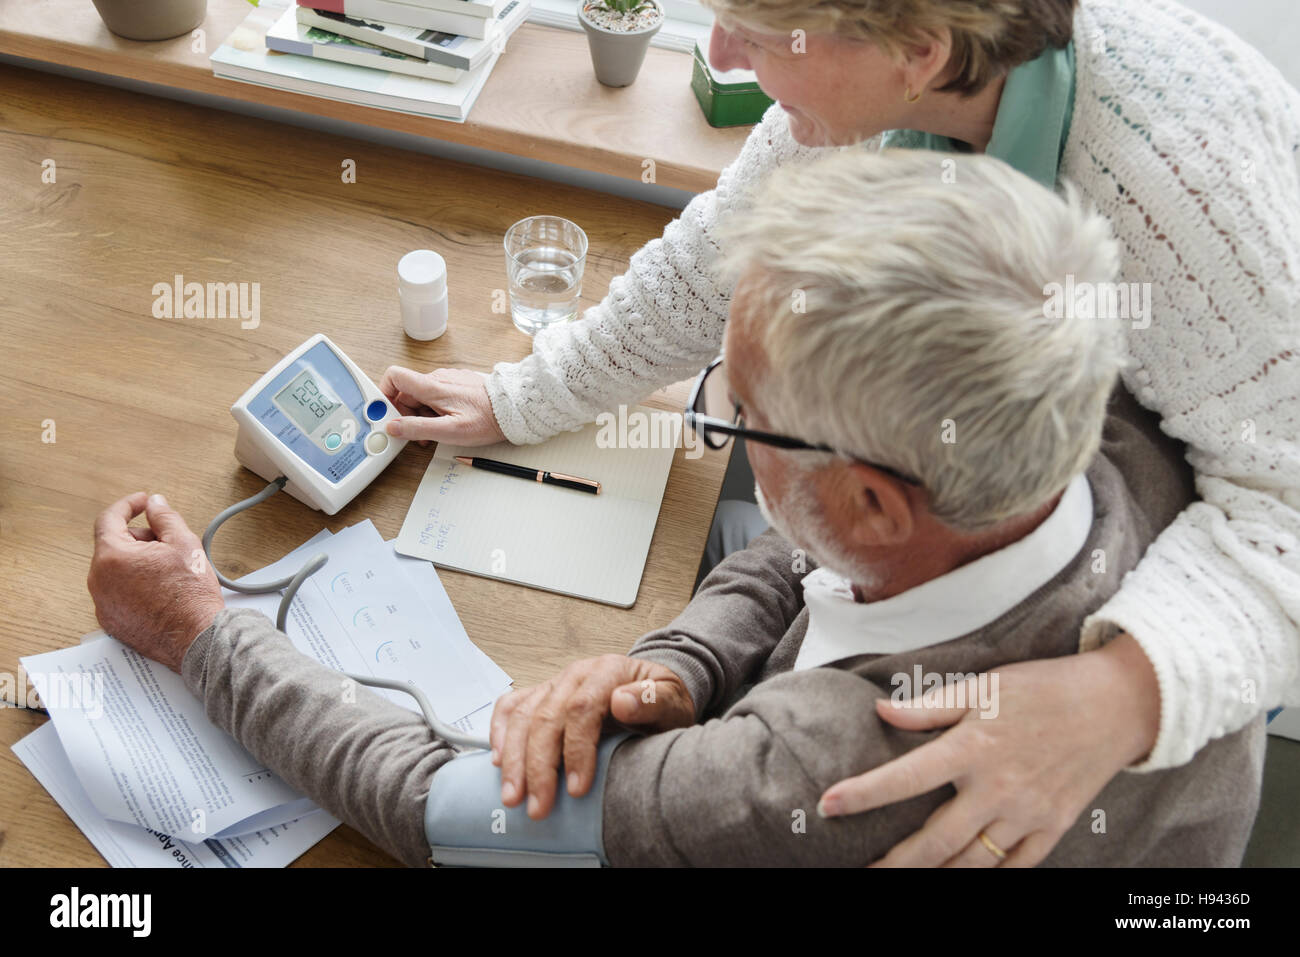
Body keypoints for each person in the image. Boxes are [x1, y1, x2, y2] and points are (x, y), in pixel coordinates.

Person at [87, 150, 1263, 866]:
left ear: (871, 498)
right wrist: (684, 659)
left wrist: (194, 623)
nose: (714, 427)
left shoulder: (813, 776)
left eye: (735, 421)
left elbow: (435, 808)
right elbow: (817, 564)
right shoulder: (1117, 431)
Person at [378, 0, 1300, 865]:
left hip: (1162, 692)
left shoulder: (1187, 180)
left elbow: (1284, 509)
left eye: (760, 30)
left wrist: (1123, 694)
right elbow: (714, 267)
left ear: (920, 54)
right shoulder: (867, 87)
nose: (723, 54)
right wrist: (526, 397)